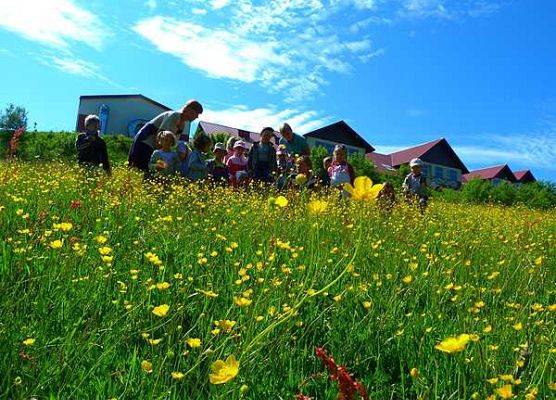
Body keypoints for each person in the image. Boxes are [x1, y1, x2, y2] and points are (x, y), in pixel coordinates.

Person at [128, 100, 203, 171]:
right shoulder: (174, 116)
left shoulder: (182, 125)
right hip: (144, 143)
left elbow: (173, 143)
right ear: (189, 110)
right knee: (139, 169)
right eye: (196, 113)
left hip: (152, 147)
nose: (197, 117)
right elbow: (160, 137)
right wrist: (161, 157)